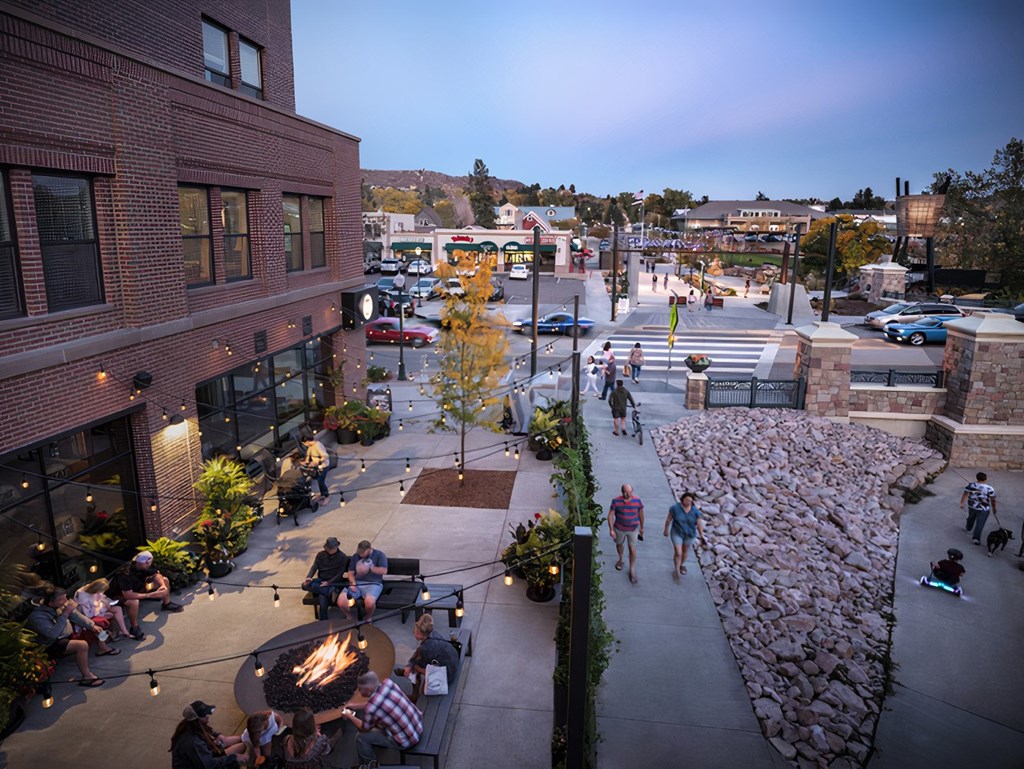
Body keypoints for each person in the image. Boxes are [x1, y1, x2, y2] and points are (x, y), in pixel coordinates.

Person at [26, 586, 117, 687]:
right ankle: (87, 677)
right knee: (82, 645)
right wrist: (65, 614)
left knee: (96, 626)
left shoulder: (59, 606)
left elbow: (76, 617)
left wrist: (92, 626)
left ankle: (103, 648)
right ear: (51, 602)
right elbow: (52, 635)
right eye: (61, 599)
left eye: (65, 597)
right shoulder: (37, 616)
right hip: (50, 644)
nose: (65, 601)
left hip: (66, 636)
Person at [341, 671, 423, 766]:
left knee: (361, 737)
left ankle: (369, 765)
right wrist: (355, 706)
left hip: (407, 741)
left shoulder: (372, 707)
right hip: (417, 726)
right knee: (379, 721)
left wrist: (349, 716)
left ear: (368, 690)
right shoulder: (388, 683)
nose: (359, 691)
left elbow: (363, 728)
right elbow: (379, 702)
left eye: (360, 689)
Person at [114, 550, 183, 641]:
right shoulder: (124, 574)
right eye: (147, 563)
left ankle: (167, 604)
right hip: (119, 595)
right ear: (139, 563)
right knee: (134, 602)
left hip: (139, 587)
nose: (149, 565)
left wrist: (162, 585)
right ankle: (134, 627)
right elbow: (128, 595)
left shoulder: (144, 566)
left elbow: (156, 574)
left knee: (164, 579)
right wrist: (149, 595)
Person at [169, 701, 246, 769]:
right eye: (205, 715)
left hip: (203, 758)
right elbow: (209, 765)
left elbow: (210, 732)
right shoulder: (194, 742)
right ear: (197, 719)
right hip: (203, 764)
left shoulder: (191, 726)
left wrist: (217, 735)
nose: (208, 716)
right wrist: (234, 757)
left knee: (242, 746)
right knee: (234, 763)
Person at [399, 613, 459, 693]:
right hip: (453, 659)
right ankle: (407, 672)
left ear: (420, 634)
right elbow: (418, 652)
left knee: (416, 667)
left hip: (448, 673)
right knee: (415, 664)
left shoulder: (426, 648)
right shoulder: (433, 634)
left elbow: (418, 657)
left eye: (416, 631)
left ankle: (415, 694)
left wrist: (410, 666)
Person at [301, 537, 349, 620]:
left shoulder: (342, 557)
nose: (330, 550)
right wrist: (309, 577)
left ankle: (323, 622)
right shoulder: (320, 555)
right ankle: (330, 592)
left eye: (332, 548)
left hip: (334, 582)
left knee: (323, 604)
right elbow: (314, 567)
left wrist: (329, 582)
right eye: (329, 548)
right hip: (321, 581)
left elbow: (340, 574)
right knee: (304, 585)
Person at [664, 492, 706, 580]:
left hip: (689, 534)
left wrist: (701, 535)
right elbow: (669, 519)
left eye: (690, 501)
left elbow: (699, 524)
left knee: (685, 552)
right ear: (682, 499)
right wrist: (666, 529)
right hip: (677, 532)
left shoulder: (695, 511)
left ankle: (681, 564)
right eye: (686, 500)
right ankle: (676, 570)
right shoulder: (675, 508)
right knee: (678, 553)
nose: (688, 502)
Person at [608, 484, 644, 584]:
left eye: (628, 492)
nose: (626, 494)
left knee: (632, 548)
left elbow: (641, 514)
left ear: (632, 491)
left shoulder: (637, 501)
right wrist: (611, 529)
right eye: (624, 492)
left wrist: (642, 527)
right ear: (621, 491)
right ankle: (620, 559)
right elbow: (610, 516)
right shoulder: (616, 501)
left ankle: (632, 570)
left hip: (633, 529)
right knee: (619, 544)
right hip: (619, 528)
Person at [344, 540, 388, 621]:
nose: (360, 555)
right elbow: (350, 572)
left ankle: (368, 617)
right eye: (359, 552)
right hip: (357, 583)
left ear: (368, 549)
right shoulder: (356, 556)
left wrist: (370, 568)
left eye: (362, 553)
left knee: (369, 602)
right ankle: (349, 616)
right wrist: (353, 583)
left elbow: (384, 571)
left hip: (373, 583)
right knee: (341, 600)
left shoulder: (379, 555)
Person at [960, 471, 997, 546]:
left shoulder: (971, 485)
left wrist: (962, 503)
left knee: (971, 517)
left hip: (972, 506)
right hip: (984, 509)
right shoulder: (990, 488)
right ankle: (976, 539)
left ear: (977, 478)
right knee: (980, 524)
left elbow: (965, 493)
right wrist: (994, 509)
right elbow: (993, 500)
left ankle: (968, 528)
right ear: (985, 479)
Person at [299, 435, 330, 502]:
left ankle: (326, 496)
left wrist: (317, 462)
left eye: (304, 443)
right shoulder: (311, 446)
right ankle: (322, 494)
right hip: (316, 466)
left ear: (307, 442)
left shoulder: (317, 446)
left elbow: (325, 456)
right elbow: (308, 453)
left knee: (321, 482)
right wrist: (306, 461)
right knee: (316, 480)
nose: (304, 445)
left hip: (323, 466)